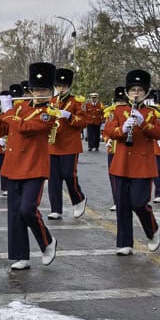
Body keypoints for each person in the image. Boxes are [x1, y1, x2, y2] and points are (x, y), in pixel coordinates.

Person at [0, 63, 60, 272]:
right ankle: (20, 255)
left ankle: (47, 242)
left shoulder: (50, 113)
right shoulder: (20, 108)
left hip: (34, 166)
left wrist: (7, 111)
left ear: (50, 92)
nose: (38, 94)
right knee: (15, 213)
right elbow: (1, 125)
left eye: (44, 90)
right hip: (13, 165)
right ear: (30, 91)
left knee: (27, 209)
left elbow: (24, 128)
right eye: (35, 90)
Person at [105, 70, 160, 255]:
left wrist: (144, 124)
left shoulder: (152, 113)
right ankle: (125, 243)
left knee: (139, 203)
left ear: (145, 93)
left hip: (143, 165)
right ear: (127, 92)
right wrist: (122, 129)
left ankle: (152, 229)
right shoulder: (118, 111)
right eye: (133, 90)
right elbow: (109, 131)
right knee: (122, 205)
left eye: (139, 90)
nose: (136, 93)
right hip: (121, 163)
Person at [46, 68, 90, 219]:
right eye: (58, 86)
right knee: (53, 177)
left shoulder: (77, 101)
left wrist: (69, 116)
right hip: (53, 144)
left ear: (69, 86)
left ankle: (79, 199)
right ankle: (56, 209)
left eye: (64, 86)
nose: (61, 89)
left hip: (70, 144)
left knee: (68, 175)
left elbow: (84, 121)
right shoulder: (51, 101)